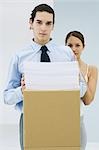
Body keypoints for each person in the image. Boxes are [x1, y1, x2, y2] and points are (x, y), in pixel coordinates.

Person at [3, 4, 87, 150]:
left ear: (53, 26)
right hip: (31, 118)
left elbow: (82, 88)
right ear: (31, 23)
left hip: (62, 116)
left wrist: (66, 84)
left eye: (48, 23)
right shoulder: (19, 56)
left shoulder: (66, 53)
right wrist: (22, 91)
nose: (43, 28)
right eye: (39, 22)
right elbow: (7, 97)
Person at [65, 30, 98, 150]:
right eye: (69, 45)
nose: (73, 49)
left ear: (83, 47)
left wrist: (76, 70)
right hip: (61, 120)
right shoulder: (60, 68)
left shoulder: (92, 70)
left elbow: (88, 100)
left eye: (77, 45)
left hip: (78, 120)